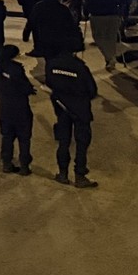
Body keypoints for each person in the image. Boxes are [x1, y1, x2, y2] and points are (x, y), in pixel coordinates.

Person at [45, 46, 99, 187]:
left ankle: (62, 173)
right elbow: (92, 90)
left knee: (64, 142)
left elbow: (49, 83)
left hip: (62, 108)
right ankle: (80, 176)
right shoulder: (80, 67)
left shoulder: (52, 64)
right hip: (80, 111)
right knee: (82, 144)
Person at [0, 44, 34, 175]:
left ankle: (6, 163)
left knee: (7, 137)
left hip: (5, 109)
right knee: (24, 138)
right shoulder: (16, 69)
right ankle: (24, 166)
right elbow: (25, 86)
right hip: (20, 109)